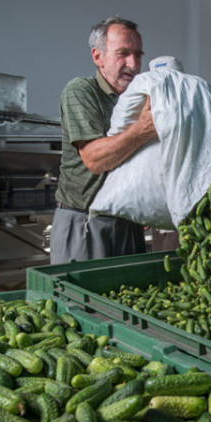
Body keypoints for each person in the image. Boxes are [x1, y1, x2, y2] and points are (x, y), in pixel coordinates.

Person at [50, 16, 157, 264]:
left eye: (137, 55)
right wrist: (142, 129)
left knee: (133, 288)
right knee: (83, 289)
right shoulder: (81, 91)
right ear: (98, 56)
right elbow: (94, 159)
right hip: (85, 222)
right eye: (123, 54)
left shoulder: (138, 100)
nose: (133, 64)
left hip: (129, 222)